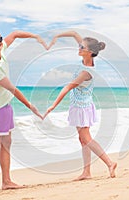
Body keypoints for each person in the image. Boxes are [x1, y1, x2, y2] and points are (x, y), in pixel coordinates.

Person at [44, 31, 117, 180]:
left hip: (83, 108)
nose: (78, 48)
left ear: (89, 52)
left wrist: (53, 105)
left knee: (86, 138)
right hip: (80, 106)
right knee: (82, 139)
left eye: (81, 47)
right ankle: (87, 172)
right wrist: (57, 35)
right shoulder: (86, 59)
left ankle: (109, 163)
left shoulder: (86, 72)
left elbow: (67, 87)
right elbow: (74, 33)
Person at [0, 28, 46, 194]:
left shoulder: (1, 49)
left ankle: (6, 181)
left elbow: (16, 34)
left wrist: (35, 35)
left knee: (7, 143)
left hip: (5, 106)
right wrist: (31, 106)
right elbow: (13, 89)